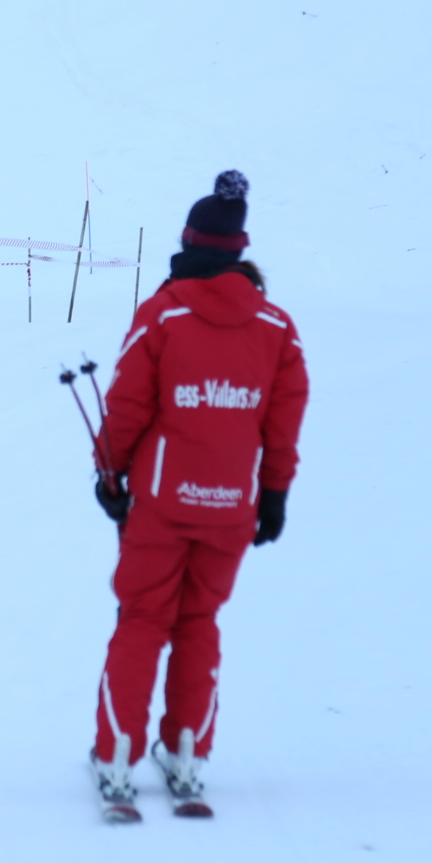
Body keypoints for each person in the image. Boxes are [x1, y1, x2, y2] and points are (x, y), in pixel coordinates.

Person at [86, 170, 308, 818]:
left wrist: (109, 473)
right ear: (238, 250)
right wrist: (273, 495)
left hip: (160, 503)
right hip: (230, 505)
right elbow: (283, 422)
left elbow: (127, 405)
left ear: (188, 244)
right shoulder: (276, 327)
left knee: (142, 620)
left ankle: (117, 758)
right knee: (198, 622)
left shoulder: (163, 315)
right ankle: (186, 755)